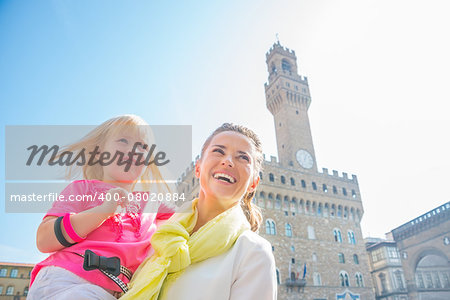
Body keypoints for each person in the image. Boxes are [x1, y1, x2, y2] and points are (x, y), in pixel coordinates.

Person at [121, 123, 277, 300]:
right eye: (218, 151)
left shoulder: (253, 252)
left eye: (243, 157)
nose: (228, 161)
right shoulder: (156, 234)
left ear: (253, 184)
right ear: (197, 168)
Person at [28, 115, 173, 300]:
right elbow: (44, 239)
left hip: (116, 292)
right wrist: (101, 212)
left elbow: (196, 212)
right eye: (123, 140)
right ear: (99, 152)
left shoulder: (153, 203)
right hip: (66, 279)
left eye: (143, 146)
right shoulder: (83, 188)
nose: (134, 150)